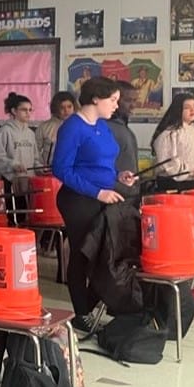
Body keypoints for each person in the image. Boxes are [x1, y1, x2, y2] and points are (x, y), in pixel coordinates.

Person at [51, 76, 136, 331]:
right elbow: (61, 169)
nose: (116, 106)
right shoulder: (73, 127)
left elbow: (102, 165)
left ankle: (94, 305)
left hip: (104, 195)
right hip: (78, 200)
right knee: (82, 254)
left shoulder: (102, 125)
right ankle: (81, 313)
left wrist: (118, 177)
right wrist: (98, 192)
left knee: (104, 254)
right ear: (95, 99)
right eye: (113, 100)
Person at [152, 93, 194, 182]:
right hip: (172, 183)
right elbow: (168, 162)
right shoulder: (169, 134)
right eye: (187, 107)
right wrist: (190, 172)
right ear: (178, 110)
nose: (192, 110)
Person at [107, 81, 140, 203]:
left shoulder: (123, 128)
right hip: (115, 196)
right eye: (128, 100)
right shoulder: (107, 128)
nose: (133, 105)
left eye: (134, 101)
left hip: (128, 194)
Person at [0, 93, 37, 181]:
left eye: (30, 110)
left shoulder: (31, 133)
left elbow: (35, 158)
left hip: (29, 180)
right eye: (24, 110)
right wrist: (13, 165)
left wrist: (40, 168)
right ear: (14, 111)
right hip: (10, 181)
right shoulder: (5, 131)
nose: (28, 113)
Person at [35, 91, 77, 167]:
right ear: (55, 108)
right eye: (62, 107)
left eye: (69, 106)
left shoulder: (79, 126)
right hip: (49, 170)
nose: (66, 110)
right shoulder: (45, 127)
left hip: (73, 170)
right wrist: (40, 165)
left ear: (74, 107)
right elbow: (35, 149)